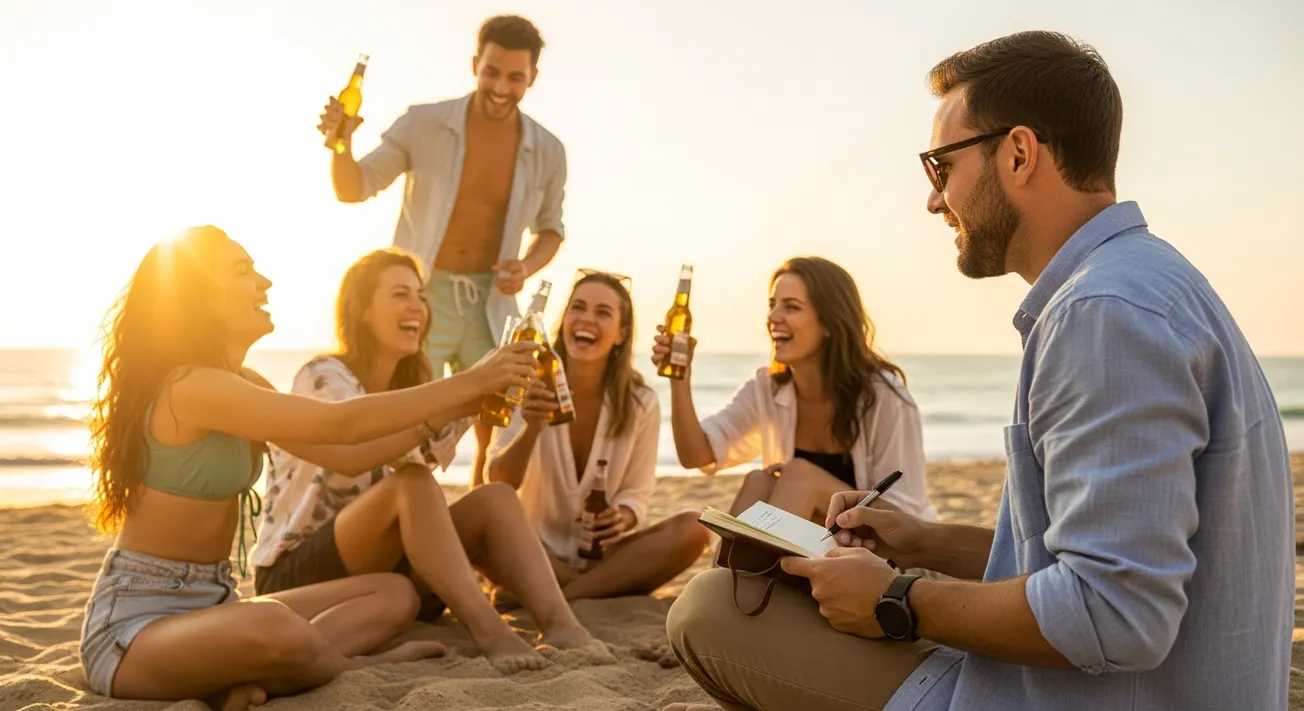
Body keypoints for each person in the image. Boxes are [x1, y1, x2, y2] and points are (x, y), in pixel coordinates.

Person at [663, 31, 1293, 711]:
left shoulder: (1102, 314)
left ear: (1019, 153)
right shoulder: (1146, 284)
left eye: (941, 166)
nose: (935, 200)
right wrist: (921, 541)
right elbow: (1100, 556)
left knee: (711, 610)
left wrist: (895, 597)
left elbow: (1116, 613)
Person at [80, 226, 539, 709]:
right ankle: (346, 666)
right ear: (199, 296)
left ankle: (252, 678)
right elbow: (343, 423)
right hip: (134, 629)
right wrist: (470, 380)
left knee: (394, 594)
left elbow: (350, 453)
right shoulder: (191, 387)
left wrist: (464, 404)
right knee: (273, 625)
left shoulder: (243, 383)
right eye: (243, 272)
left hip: (215, 602)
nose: (265, 283)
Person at [250, 249, 611, 674]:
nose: (417, 307)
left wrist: (498, 407)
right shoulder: (322, 375)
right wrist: (464, 392)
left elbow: (422, 456)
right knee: (413, 483)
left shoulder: (417, 387)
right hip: (301, 570)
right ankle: (491, 632)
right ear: (362, 310)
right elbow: (363, 454)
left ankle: (562, 625)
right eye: (400, 294)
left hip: (387, 571)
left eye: (421, 296)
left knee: (493, 498)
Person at [319, 14, 567, 489]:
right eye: (491, 72)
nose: (500, 87)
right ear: (475, 63)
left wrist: (527, 266)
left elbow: (552, 230)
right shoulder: (422, 122)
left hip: (492, 305)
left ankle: (479, 520)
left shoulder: (549, 150)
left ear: (532, 77)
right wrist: (341, 145)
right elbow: (353, 188)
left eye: (515, 77)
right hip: (422, 296)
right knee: (402, 418)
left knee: (498, 422)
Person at [651, 256, 936, 524]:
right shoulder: (768, 387)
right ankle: (729, 575)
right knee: (759, 481)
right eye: (772, 304)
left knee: (798, 474)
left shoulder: (884, 397)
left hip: (886, 555)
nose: (773, 317)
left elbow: (904, 518)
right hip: (813, 549)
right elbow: (697, 456)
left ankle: (744, 575)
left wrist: (805, 481)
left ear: (829, 323)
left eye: (791, 307)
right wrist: (680, 378)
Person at [486, 270, 711, 600]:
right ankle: (592, 589)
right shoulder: (526, 382)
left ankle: (565, 594)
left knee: (697, 527)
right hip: (533, 549)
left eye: (602, 312)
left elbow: (637, 493)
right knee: (487, 526)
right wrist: (532, 427)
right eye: (578, 307)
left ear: (620, 334)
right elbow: (498, 483)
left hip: (602, 558)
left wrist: (623, 516)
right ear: (564, 321)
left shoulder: (640, 402)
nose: (586, 319)